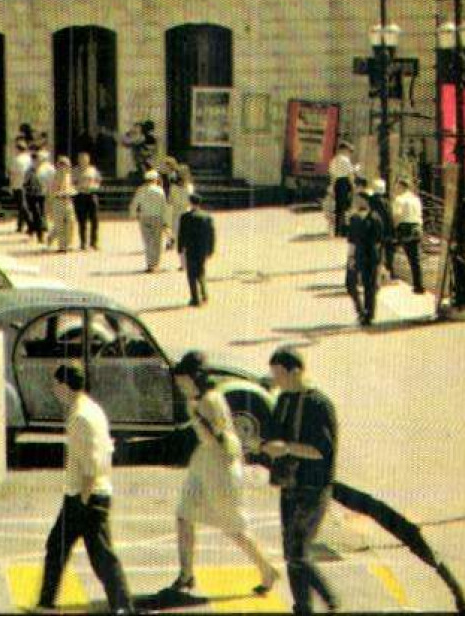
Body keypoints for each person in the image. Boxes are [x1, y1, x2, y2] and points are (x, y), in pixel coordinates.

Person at [163, 351, 277, 598]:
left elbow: (223, 442)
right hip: (203, 461)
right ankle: (186, 574)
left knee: (234, 526)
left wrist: (198, 419)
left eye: (183, 379)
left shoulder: (209, 402)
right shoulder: (196, 400)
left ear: (195, 378)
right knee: (184, 515)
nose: (179, 384)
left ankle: (267, 570)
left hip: (220, 468)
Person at [35, 362, 134, 615]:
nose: (54, 389)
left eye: (56, 385)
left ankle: (123, 606)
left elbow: (90, 465)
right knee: (63, 548)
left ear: (65, 385)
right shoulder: (91, 408)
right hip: (88, 494)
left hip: (85, 497)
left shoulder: (80, 417)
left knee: (99, 556)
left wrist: (82, 500)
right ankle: (46, 603)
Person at [262, 348, 339, 615]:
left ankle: (323, 602)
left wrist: (285, 448)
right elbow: (275, 435)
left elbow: (321, 451)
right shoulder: (283, 399)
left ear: (296, 372)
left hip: (313, 487)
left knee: (297, 552)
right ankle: (307, 607)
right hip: (289, 485)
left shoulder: (318, 405)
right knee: (293, 553)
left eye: (279, 375)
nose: (276, 380)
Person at [346, 195, 384, 326]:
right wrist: (350, 257)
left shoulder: (375, 218)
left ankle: (369, 314)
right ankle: (360, 310)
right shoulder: (354, 219)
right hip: (358, 254)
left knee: (370, 286)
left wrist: (380, 262)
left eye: (360, 200)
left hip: (371, 255)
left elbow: (379, 240)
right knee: (350, 284)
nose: (356, 202)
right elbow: (351, 240)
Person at [176, 192, 216, 307]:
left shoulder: (185, 217)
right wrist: (211, 249)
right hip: (202, 248)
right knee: (201, 271)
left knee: (191, 274)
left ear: (190, 203)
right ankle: (204, 294)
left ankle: (195, 298)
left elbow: (181, 234)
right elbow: (212, 235)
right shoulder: (207, 217)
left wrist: (180, 247)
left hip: (191, 248)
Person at [390, 178, 425, 294]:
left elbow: (397, 215)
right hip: (417, 228)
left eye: (397, 187)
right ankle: (418, 284)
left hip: (404, 228)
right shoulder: (416, 199)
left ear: (401, 187)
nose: (396, 189)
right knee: (415, 259)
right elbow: (420, 214)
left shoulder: (399, 199)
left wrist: (393, 229)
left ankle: (391, 275)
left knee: (390, 250)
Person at [130, 169, 167, 273]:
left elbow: (134, 203)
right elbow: (164, 206)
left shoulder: (140, 190)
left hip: (144, 217)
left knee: (147, 241)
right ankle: (155, 264)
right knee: (156, 242)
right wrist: (166, 221)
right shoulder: (159, 190)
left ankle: (149, 264)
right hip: (156, 217)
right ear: (155, 179)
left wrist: (133, 215)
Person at [48, 159, 79, 252]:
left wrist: (72, 191)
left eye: (67, 165)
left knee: (71, 222)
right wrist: (60, 193)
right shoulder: (54, 177)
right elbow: (52, 191)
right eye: (63, 165)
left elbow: (72, 188)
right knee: (60, 224)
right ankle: (62, 246)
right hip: (59, 201)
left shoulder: (69, 176)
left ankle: (67, 243)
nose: (65, 167)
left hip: (68, 201)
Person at [74, 152, 102, 250]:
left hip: (92, 195)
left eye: (85, 159)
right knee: (82, 221)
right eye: (81, 159)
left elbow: (98, 181)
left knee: (94, 220)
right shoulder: (75, 170)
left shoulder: (93, 170)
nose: (83, 161)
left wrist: (95, 186)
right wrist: (78, 187)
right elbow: (72, 183)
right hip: (80, 196)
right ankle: (83, 243)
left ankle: (94, 242)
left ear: (88, 160)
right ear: (78, 160)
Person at [329, 143, 357, 236]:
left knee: (338, 208)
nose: (349, 153)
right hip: (345, 183)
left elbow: (332, 176)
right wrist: (353, 186)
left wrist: (333, 188)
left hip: (337, 183)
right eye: (348, 151)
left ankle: (337, 230)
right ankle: (344, 231)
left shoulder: (334, 160)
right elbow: (350, 175)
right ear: (344, 150)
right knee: (346, 207)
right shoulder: (346, 160)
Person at [165, 164, 194, 252]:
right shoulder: (189, 187)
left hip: (177, 210)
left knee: (174, 227)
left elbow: (170, 200)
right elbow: (191, 200)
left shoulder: (173, 187)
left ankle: (172, 241)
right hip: (185, 209)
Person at [31, 149, 56, 243]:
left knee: (45, 214)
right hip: (40, 194)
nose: (39, 158)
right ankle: (41, 233)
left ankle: (46, 233)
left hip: (46, 194)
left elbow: (53, 182)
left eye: (40, 157)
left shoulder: (48, 168)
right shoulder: (37, 167)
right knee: (40, 214)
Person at [9, 140, 34, 234]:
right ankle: (20, 226)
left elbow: (13, 174)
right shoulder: (29, 159)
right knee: (23, 206)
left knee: (22, 206)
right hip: (27, 185)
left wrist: (11, 186)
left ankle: (30, 224)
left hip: (18, 185)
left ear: (17, 149)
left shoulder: (16, 160)